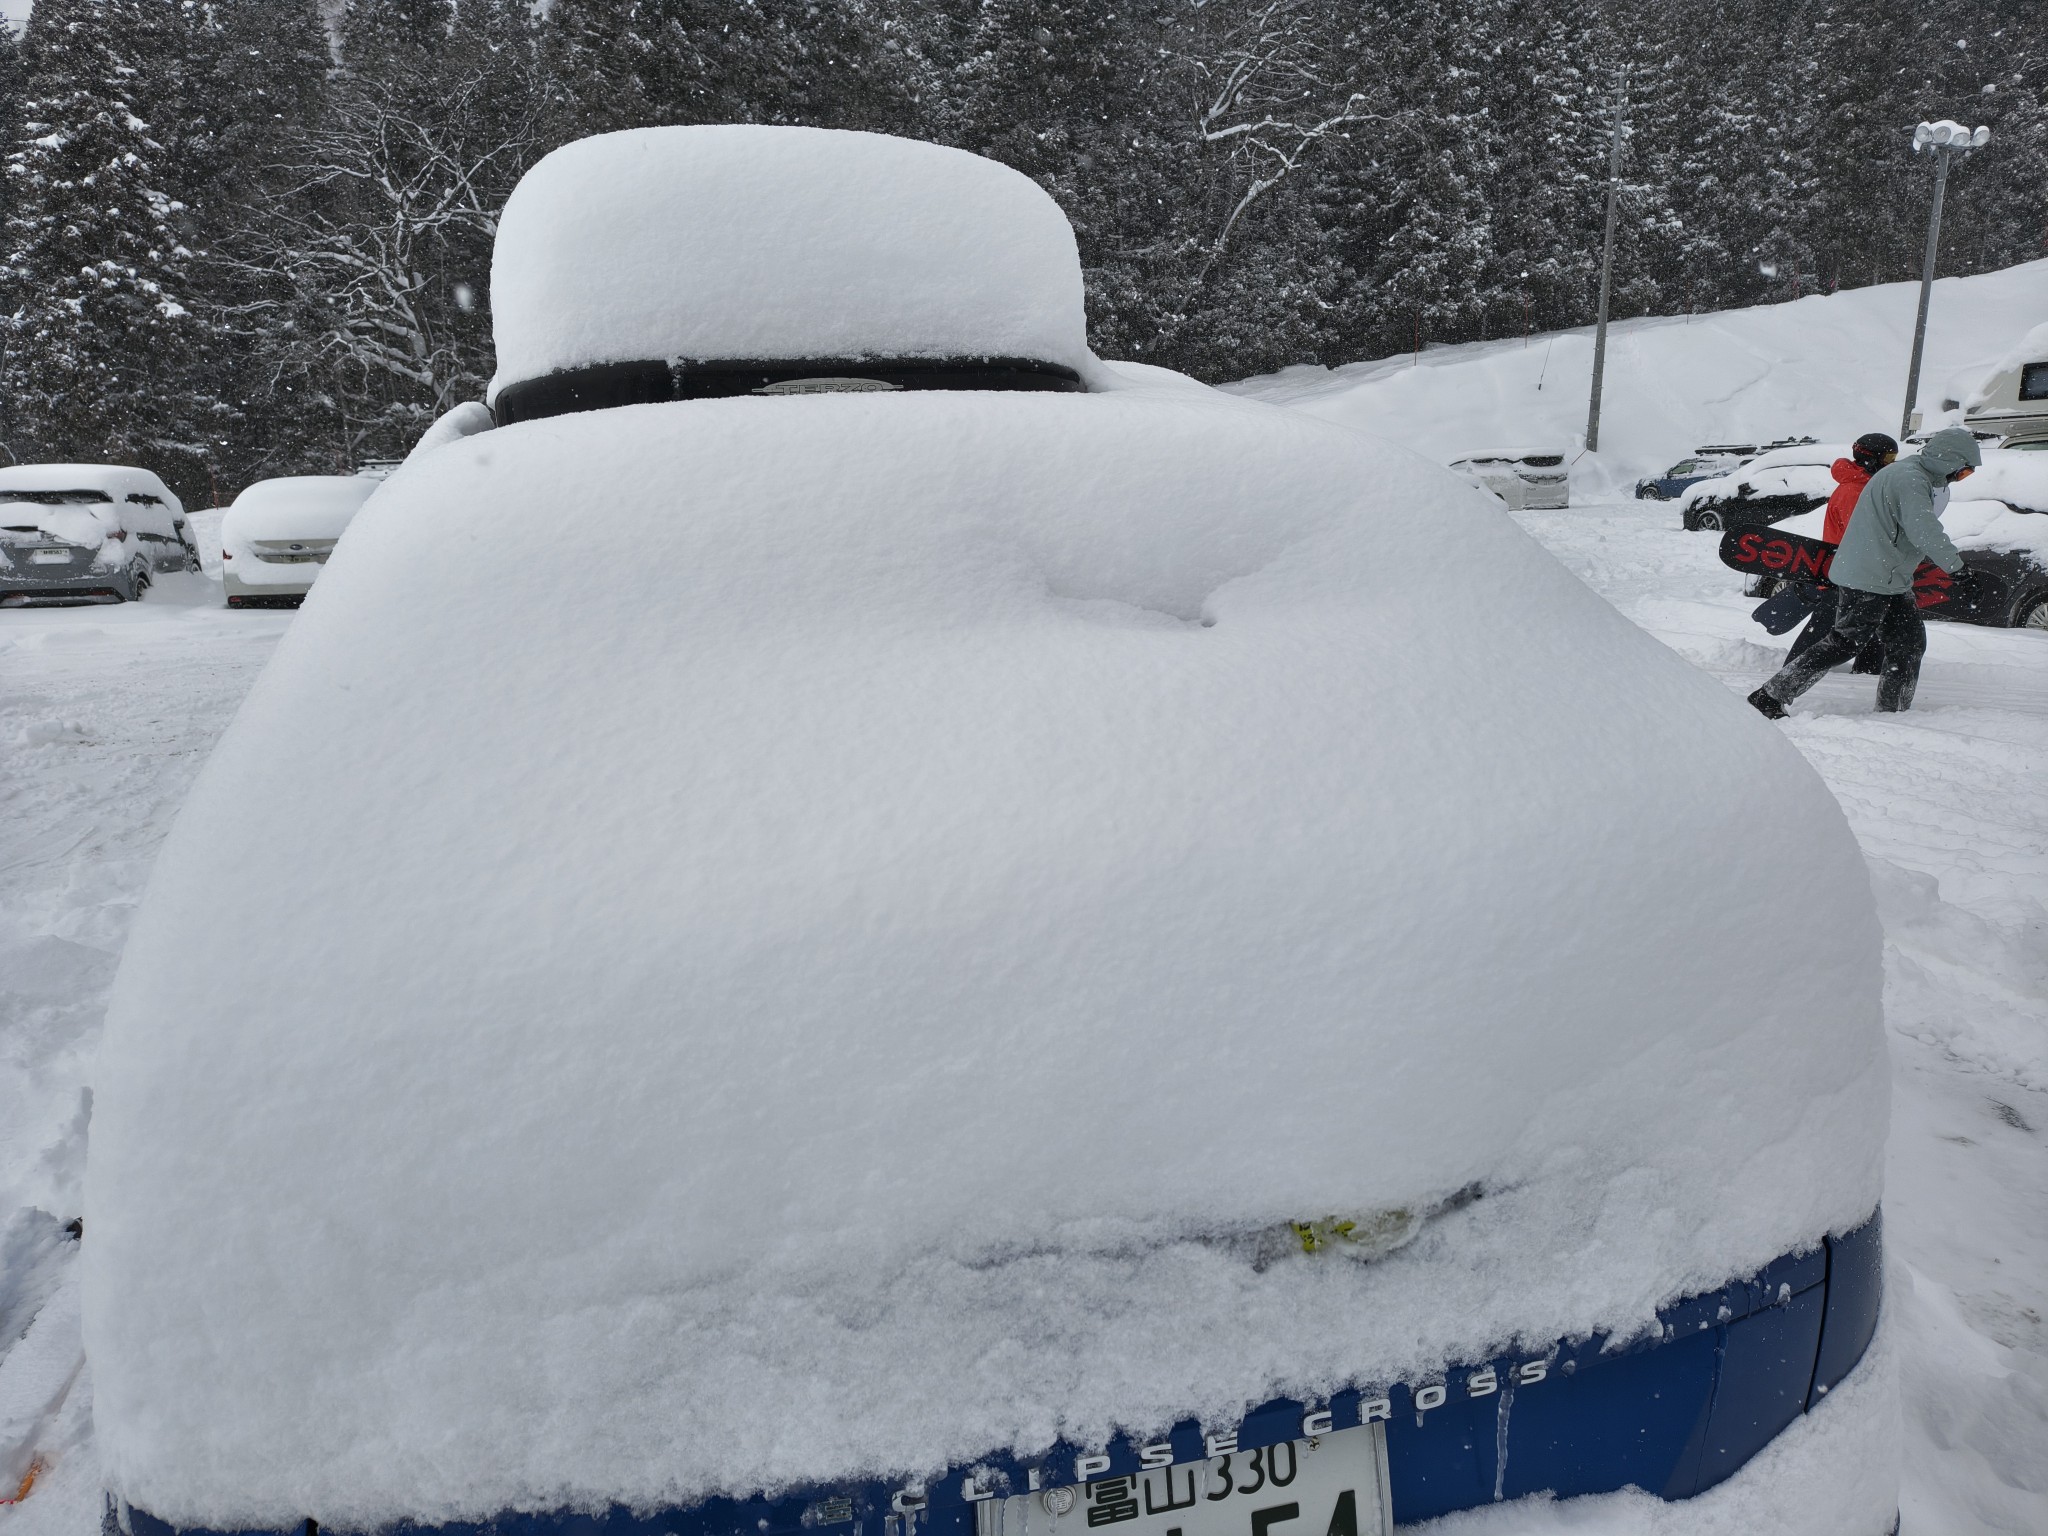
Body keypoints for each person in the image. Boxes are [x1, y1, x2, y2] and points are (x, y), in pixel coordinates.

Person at [1749, 426, 1977, 717]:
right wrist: (1958, 570)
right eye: (1962, 472)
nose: (1959, 479)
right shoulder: (1909, 478)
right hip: (1869, 577)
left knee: (1908, 644)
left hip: (1890, 578)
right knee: (1844, 644)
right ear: (1949, 460)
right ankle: (1769, 696)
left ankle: (1892, 710)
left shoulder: (1911, 475)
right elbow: (1924, 530)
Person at [1784, 432, 1897, 669]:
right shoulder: (1855, 491)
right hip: (1846, 571)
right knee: (1828, 624)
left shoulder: (1866, 486)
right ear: (1870, 459)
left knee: (1871, 621)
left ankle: (1869, 669)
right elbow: (1860, 537)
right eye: (1888, 458)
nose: (1891, 463)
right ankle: (1793, 670)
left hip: (1857, 571)